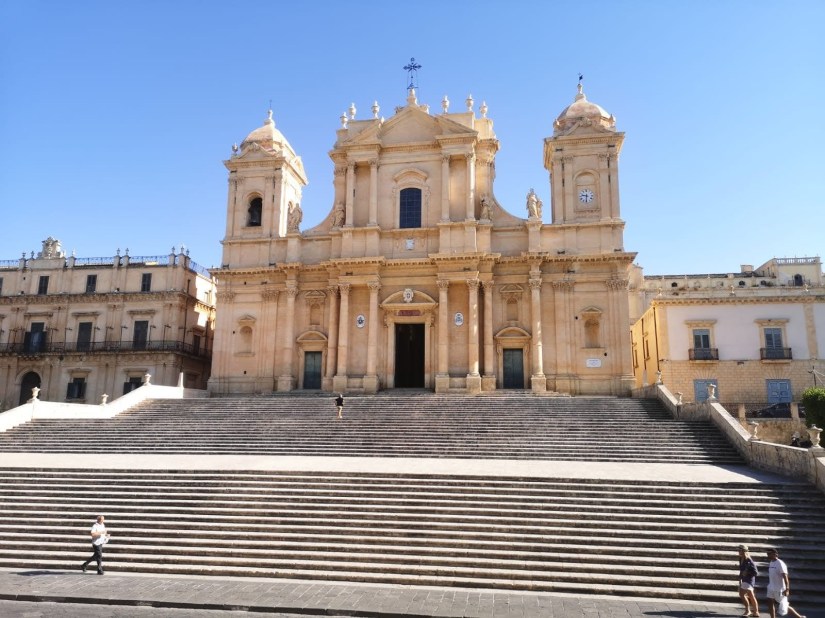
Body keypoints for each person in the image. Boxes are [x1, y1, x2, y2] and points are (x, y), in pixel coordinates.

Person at [766, 548, 806, 618]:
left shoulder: (780, 563)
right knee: (770, 602)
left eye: (770, 553)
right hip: (771, 587)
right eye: (767, 554)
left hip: (779, 588)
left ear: (775, 554)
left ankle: (799, 617)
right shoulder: (771, 562)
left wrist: (787, 589)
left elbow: (785, 577)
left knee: (784, 606)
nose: (768, 555)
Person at [738, 544, 760, 617]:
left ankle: (748, 610)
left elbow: (756, 572)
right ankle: (756, 612)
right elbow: (741, 570)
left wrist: (747, 572)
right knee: (751, 596)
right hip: (744, 579)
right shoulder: (741, 559)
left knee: (742, 594)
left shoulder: (749, 560)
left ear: (744, 551)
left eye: (740, 550)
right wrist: (740, 577)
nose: (738, 551)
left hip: (749, 580)